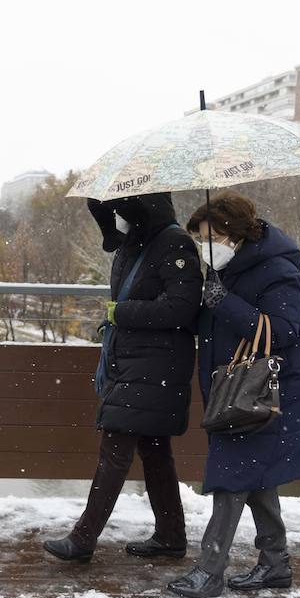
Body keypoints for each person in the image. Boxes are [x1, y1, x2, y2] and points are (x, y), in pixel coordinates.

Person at [167, 192, 300, 598]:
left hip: (266, 395)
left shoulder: (278, 273)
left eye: (214, 236)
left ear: (237, 235)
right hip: (236, 393)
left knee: (232, 479)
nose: (207, 246)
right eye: (201, 238)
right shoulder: (227, 274)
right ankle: (275, 564)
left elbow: (280, 332)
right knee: (256, 479)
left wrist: (225, 302)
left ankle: (210, 570)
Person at [43, 193, 201, 564]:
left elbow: (183, 307)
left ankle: (83, 538)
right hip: (138, 362)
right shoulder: (139, 242)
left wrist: (122, 313)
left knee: (115, 448)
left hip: (156, 365)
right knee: (154, 451)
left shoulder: (174, 242)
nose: (117, 220)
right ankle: (170, 536)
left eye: (120, 211)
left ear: (140, 209)